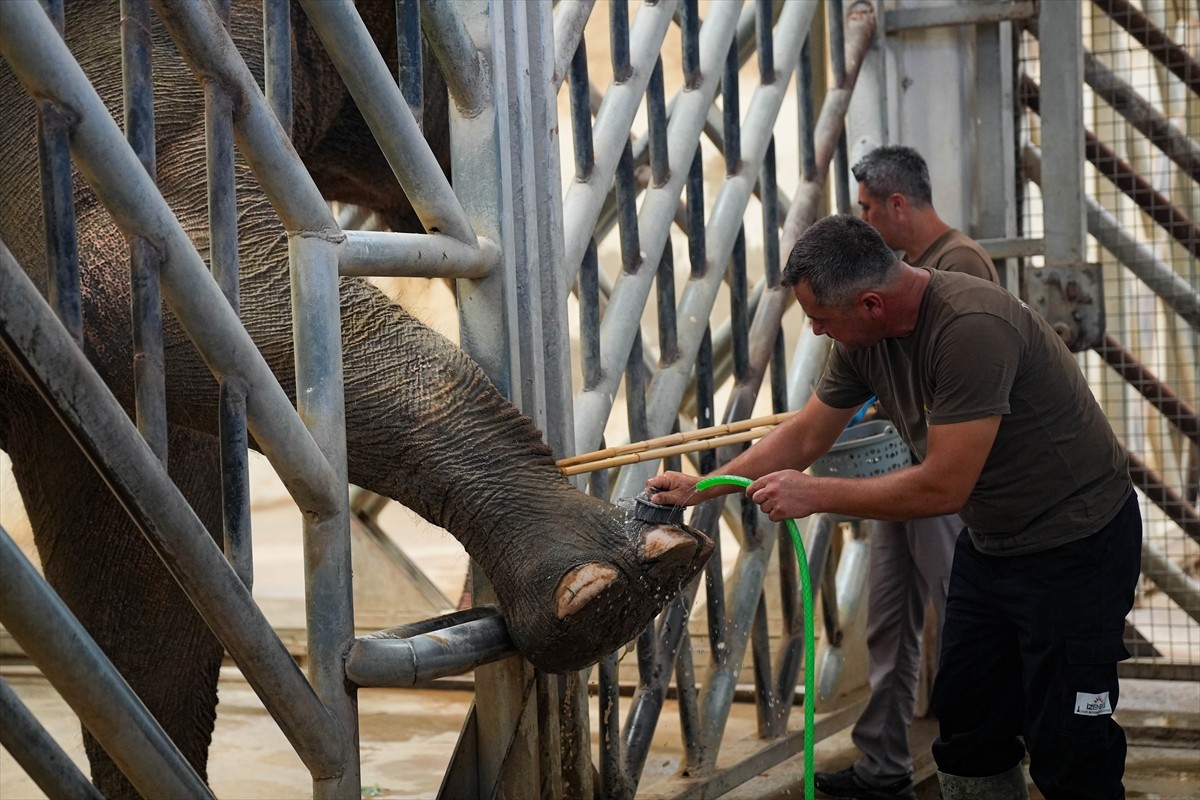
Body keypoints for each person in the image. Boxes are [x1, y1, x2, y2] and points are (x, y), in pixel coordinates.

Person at [647, 214, 1141, 800]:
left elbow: (943, 489)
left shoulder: (968, 327)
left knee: (1069, 743)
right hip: (994, 545)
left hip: (1076, 546)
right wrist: (706, 485)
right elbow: (807, 434)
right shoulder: (863, 338)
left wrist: (817, 495)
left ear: (872, 304)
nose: (816, 331)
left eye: (821, 319)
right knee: (968, 730)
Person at [797, 146, 1002, 800]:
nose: (861, 221)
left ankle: (979, 761)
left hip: (941, 480)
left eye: (864, 209)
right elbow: (815, 421)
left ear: (897, 204)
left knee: (960, 614)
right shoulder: (887, 283)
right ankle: (882, 761)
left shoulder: (956, 270)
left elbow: (962, 396)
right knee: (890, 616)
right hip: (901, 474)